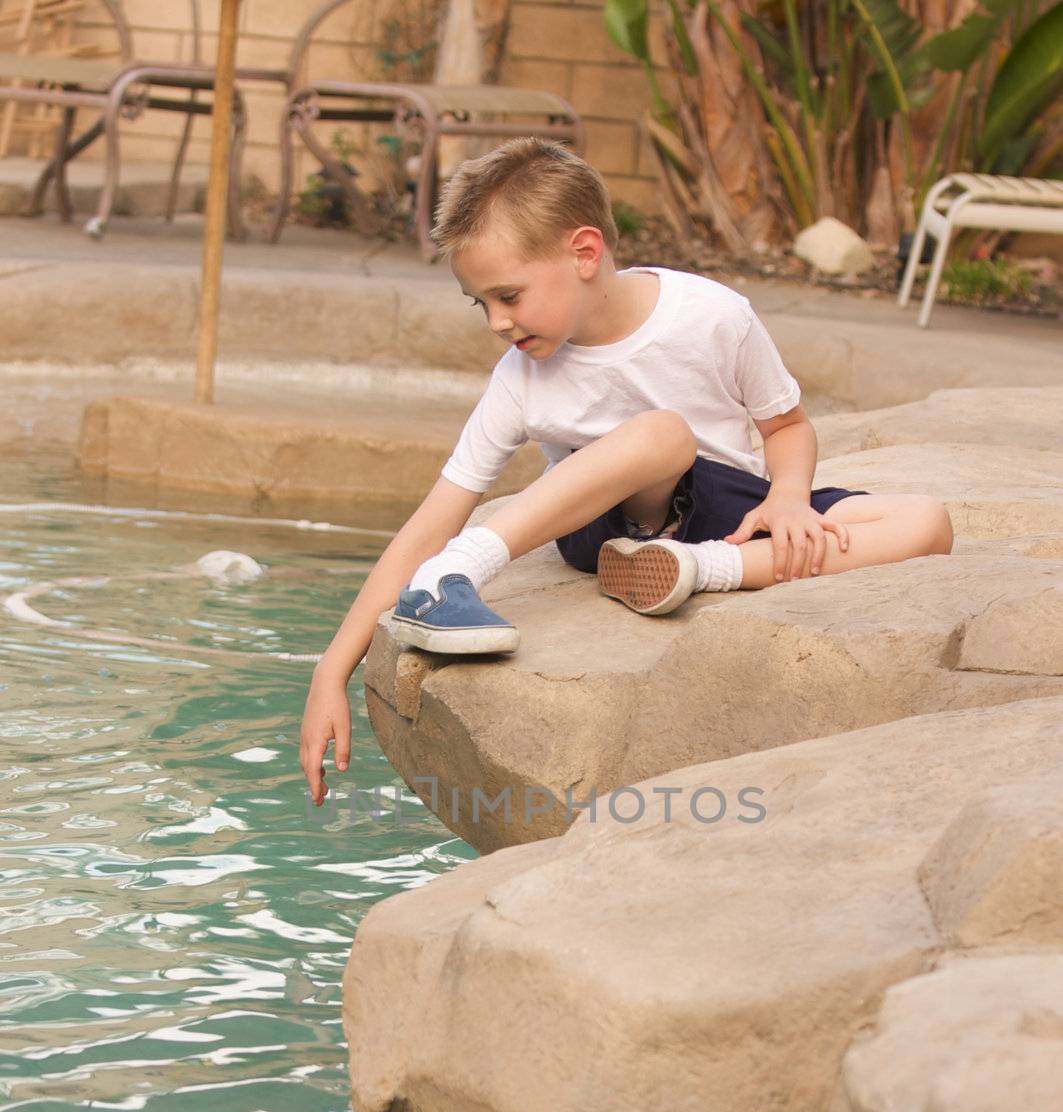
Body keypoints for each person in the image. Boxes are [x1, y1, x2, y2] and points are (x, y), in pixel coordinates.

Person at [301, 137, 953, 804]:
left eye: (508, 295)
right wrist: (332, 670)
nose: (497, 322)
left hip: (725, 517)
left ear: (583, 253)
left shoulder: (710, 316)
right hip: (605, 527)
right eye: (481, 304)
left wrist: (787, 498)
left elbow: (783, 426)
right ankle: (452, 576)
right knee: (662, 434)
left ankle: (699, 574)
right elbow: (432, 518)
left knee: (925, 523)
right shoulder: (520, 378)